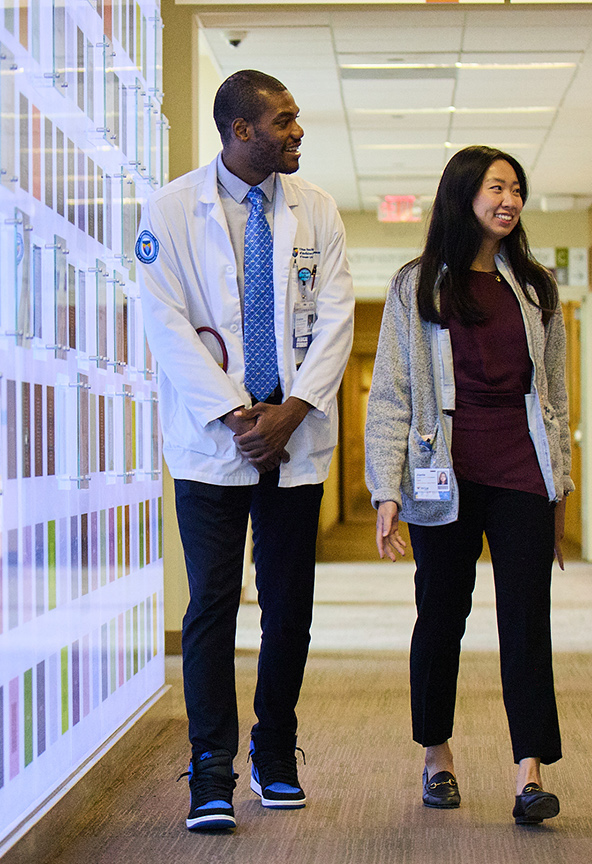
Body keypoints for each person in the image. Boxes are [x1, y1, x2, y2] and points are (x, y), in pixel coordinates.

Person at [135, 69, 355, 833]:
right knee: (212, 607)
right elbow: (163, 325)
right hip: (211, 444)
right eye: (284, 121)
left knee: (288, 605)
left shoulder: (317, 211)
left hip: (292, 436)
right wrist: (238, 416)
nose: (297, 132)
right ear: (241, 131)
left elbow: (335, 321)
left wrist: (287, 414)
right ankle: (209, 771)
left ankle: (275, 751)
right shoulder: (168, 210)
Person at [365, 146, 574, 825]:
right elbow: (392, 395)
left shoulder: (536, 288)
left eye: (516, 188)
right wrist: (384, 489)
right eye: (495, 187)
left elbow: (555, 399)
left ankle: (529, 774)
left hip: (520, 470)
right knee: (441, 616)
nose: (509, 200)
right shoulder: (416, 286)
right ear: (463, 195)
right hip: (442, 471)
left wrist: (559, 486)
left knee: (525, 621)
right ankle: (436, 754)